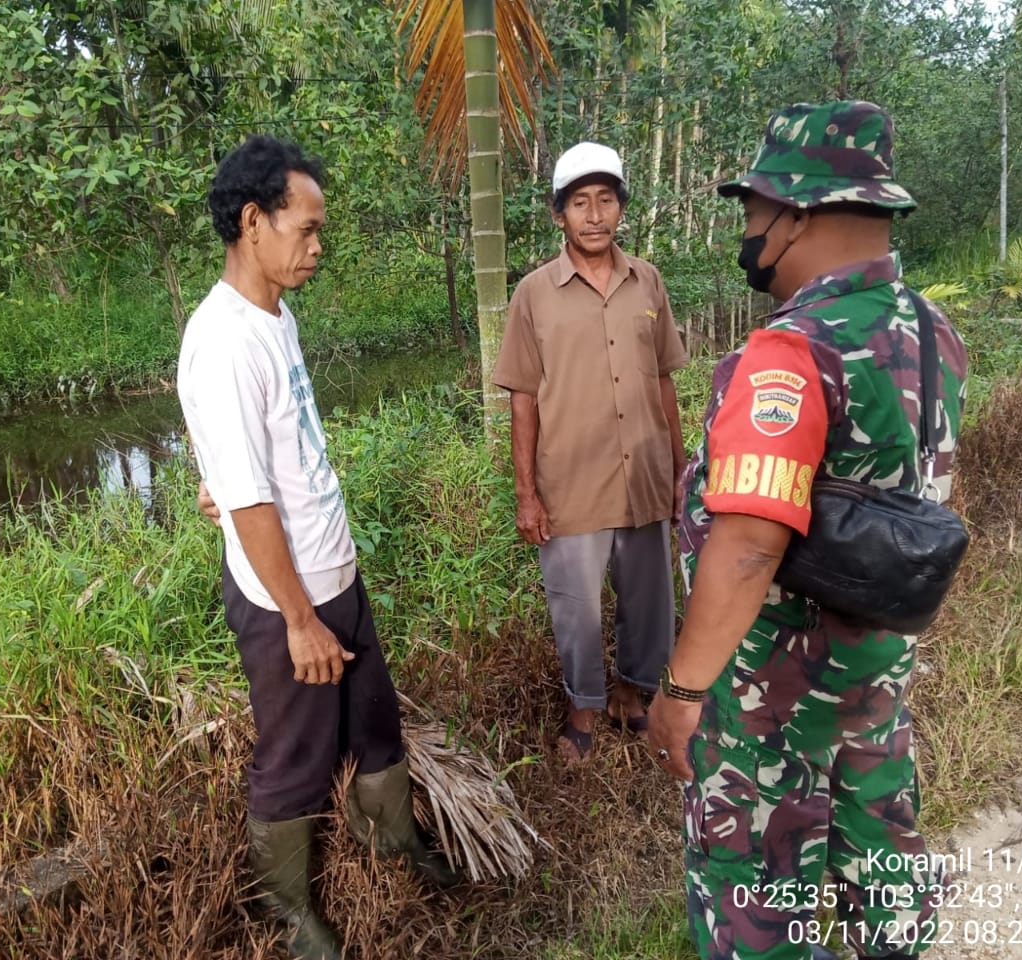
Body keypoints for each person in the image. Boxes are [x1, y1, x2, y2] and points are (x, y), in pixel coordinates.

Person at [647, 100, 968, 960]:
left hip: (775, 699)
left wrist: (681, 696)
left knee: (756, 895)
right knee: (880, 863)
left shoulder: (792, 352)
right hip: (877, 673)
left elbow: (750, 543)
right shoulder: (933, 333)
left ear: (799, 214)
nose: (748, 230)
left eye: (754, 211)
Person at [178, 134, 457, 960]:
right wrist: (300, 620)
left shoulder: (276, 315)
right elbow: (254, 501)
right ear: (253, 222)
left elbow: (268, 459)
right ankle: (288, 913)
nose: (317, 247)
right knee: (294, 759)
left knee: (375, 728)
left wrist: (222, 486)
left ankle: (393, 846)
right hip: (284, 602)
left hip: (336, 573)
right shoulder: (223, 341)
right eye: (305, 228)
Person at [493, 141, 689, 763]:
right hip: (572, 483)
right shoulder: (534, 293)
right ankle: (583, 705)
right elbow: (523, 397)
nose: (595, 214)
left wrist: (681, 472)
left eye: (606, 200)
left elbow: (663, 381)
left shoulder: (647, 281)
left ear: (622, 208)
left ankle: (631, 697)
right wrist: (527, 494)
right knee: (575, 608)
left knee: (649, 601)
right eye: (581, 202)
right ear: (560, 215)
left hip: (646, 476)